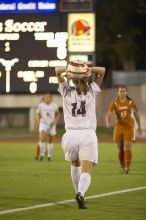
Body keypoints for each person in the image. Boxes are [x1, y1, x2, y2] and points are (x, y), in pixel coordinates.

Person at [55, 61, 106, 209]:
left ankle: (77, 192)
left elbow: (57, 71)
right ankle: (81, 193)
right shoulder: (91, 92)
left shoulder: (66, 92)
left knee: (75, 164)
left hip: (70, 135)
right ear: (86, 78)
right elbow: (102, 71)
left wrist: (71, 69)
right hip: (87, 134)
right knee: (87, 168)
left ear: (72, 79)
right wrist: (86, 69)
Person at [106, 86, 142, 174]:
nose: (122, 93)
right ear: (118, 93)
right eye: (120, 91)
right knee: (120, 148)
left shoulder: (130, 102)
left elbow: (136, 114)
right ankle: (122, 167)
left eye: (123, 91)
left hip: (129, 127)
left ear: (126, 93)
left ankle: (127, 167)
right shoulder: (114, 103)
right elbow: (109, 114)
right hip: (118, 127)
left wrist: (139, 126)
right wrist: (108, 122)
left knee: (127, 146)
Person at [32, 94, 60, 161]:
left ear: (51, 98)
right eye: (46, 97)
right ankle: (41, 155)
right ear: (44, 98)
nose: (47, 99)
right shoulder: (41, 105)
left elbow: (57, 114)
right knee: (42, 139)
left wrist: (55, 121)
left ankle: (49, 155)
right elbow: (37, 114)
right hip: (43, 124)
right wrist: (37, 122)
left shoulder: (55, 106)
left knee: (51, 140)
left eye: (49, 97)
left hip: (51, 124)